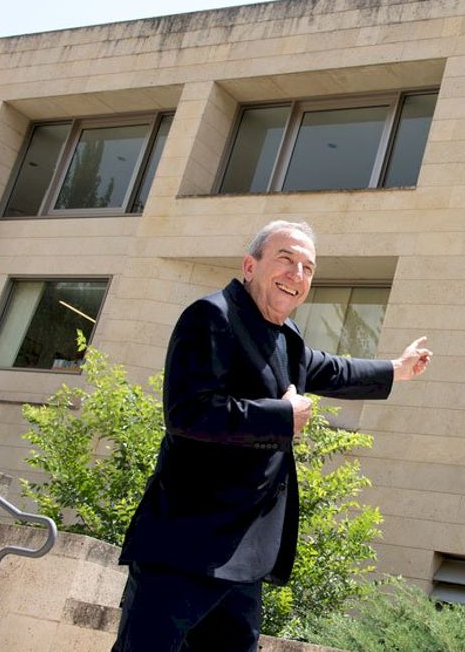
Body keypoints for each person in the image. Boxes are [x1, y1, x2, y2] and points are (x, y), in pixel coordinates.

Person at [111, 220, 431, 652]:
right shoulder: (211, 316)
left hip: (244, 557)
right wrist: (281, 416)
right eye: (285, 260)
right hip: (185, 547)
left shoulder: (286, 336)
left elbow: (331, 369)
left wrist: (397, 368)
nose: (297, 275)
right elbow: (188, 413)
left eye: (308, 268)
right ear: (250, 265)